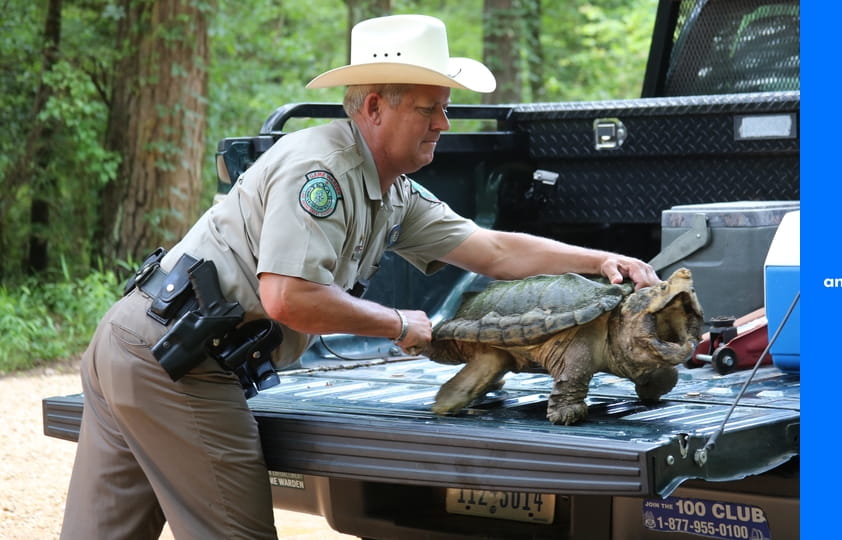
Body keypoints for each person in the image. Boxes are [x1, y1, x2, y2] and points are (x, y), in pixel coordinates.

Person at [60, 13, 660, 539]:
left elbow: (493, 250)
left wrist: (597, 261)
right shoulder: (320, 170)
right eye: (429, 108)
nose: (444, 124)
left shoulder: (392, 189)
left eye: (445, 108)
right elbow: (287, 297)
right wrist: (398, 324)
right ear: (374, 106)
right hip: (180, 362)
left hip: (137, 340)